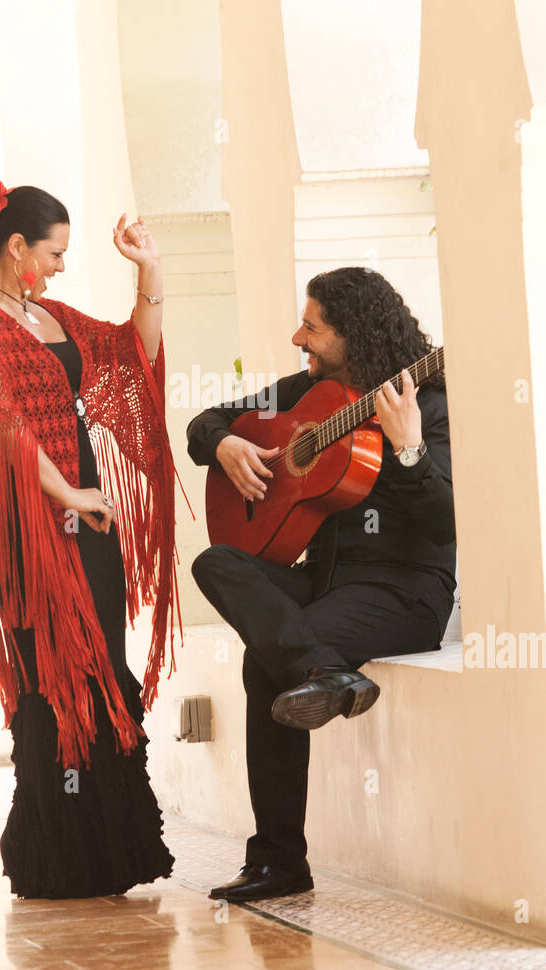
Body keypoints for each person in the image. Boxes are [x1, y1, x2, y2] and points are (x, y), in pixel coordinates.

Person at [0, 176, 181, 898]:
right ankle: (58, 858)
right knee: (52, 678)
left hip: (87, 519)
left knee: (103, 666)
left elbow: (127, 356)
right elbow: (3, 425)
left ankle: (113, 854)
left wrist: (150, 272)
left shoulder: (44, 314)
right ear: (17, 247)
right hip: (35, 525)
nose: (61, 265)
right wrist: (71, 490)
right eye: (55, 252)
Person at [187, 266, 456, 902]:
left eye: (311, 327)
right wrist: (225, 444)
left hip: (404, 591)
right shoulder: (313, 392)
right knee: (215, 561)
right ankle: (327, 673)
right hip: (333, 580)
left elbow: (446, 523)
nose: (296, 337)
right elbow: (205, 423)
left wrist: (409, 448)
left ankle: (280, 862)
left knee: (264, 663)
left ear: (352, 333)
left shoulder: (432, 402)